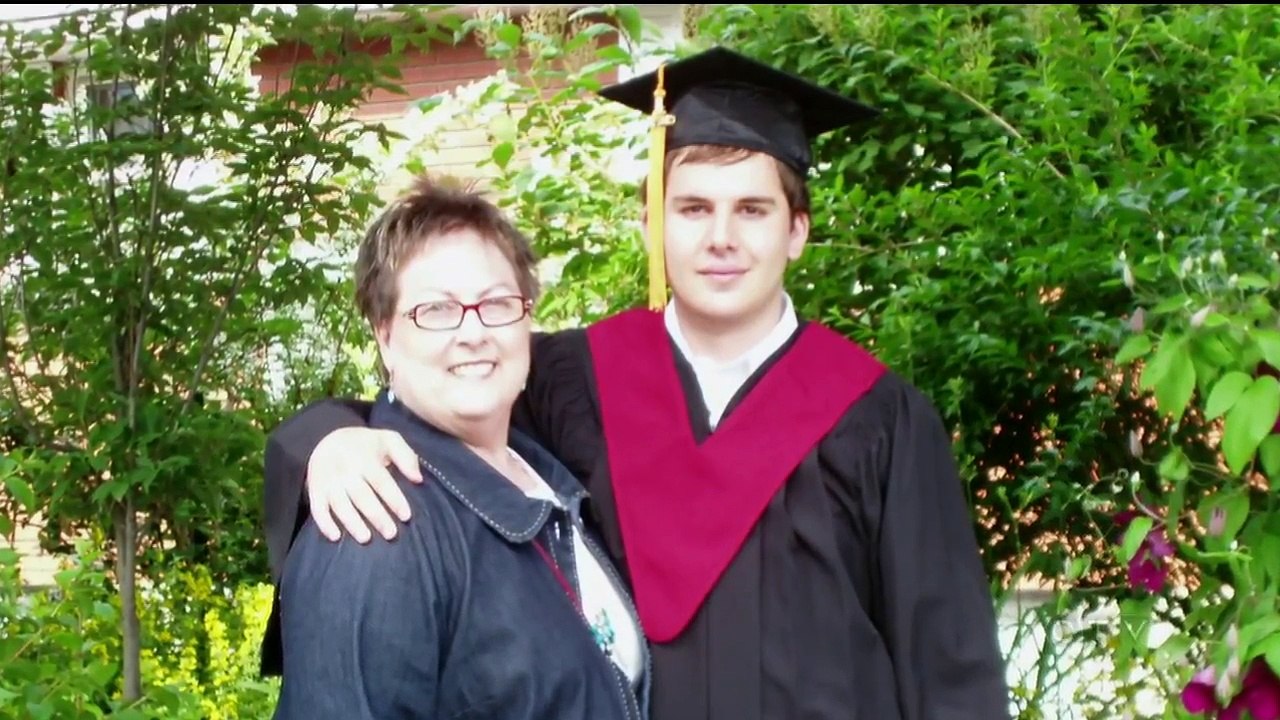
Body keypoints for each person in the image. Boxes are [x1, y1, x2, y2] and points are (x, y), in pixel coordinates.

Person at [261, 46, 1012, 720]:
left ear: (797, 231)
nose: (721, 238)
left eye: (752, 210)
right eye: (693, 208)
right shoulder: (573, 380)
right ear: (653, 224)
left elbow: (949, 673)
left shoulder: (881, 421)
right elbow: (439, 397)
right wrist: (328, 439)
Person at [269, 177, 650, 720]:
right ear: (384, 336)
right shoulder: (376, 526)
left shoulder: (546, 479)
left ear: (527, 318)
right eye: (437, 310)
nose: (473, 333)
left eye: (496, 303)